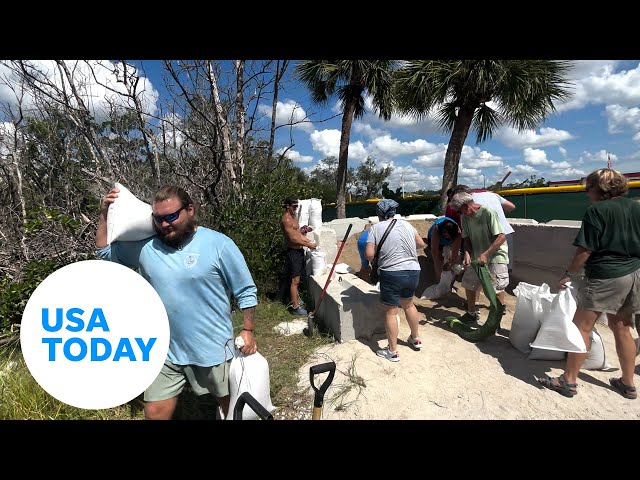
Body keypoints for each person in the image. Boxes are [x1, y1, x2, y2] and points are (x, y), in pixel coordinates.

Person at [96, 185, 259, 419]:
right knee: (154, 412)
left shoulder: (218, 244)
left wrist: (248, 329)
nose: (165, 224)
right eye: (159, 219)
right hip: (165, 350)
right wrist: (104, 214)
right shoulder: (146, 247)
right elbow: (104, 255)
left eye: (171, 216)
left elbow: (245, 290)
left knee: (232, 408)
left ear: (190, 210)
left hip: (213, 349)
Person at [538, 169, 640, 399]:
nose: (587, 193)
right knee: (622, 328)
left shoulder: (597, 211)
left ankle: (568, 381)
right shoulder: (636, 207)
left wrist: (568, 274)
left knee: (581, 327)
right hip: (634, 273)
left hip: (606, 275)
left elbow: (585, 250)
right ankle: (628, 383)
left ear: (598, 188)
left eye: (589, 188)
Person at [365, 199, 426, 362]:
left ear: (379, 214)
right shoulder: (407, 225)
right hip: (413, 270)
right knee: (409, 304)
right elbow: (421, 244)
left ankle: (392, 351)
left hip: (392, 272)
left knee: (391, 311)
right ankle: (415, 338)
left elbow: (369, 255)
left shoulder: (375, 229)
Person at [449, 192, 509, 323]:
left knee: (497, 288)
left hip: (495, 256)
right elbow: (466, 238)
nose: (460, 214)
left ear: (466, 205)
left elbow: (501, 236)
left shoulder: (487, 212)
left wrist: (486, 254)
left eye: (460, 211)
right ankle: (471, 313)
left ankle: (496, 319)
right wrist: (467, 253)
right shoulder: (465, 218)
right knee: (469, 284)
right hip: (477, 256)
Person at [450, 184, 516, 271]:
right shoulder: (492, 194)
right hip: (506, 231)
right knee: (504, 270)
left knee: (494, 270)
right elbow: (511, 206)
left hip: (495, 237)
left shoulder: (469, 207)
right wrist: (498, 209)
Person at [279, 197, 317, 316]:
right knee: (295, 280)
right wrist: (308, 244)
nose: (296, 209)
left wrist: (305, 234)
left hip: (299, 251)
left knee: (296, 279)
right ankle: (295, 308)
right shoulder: (286, 220)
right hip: (293, 252)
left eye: (297, 206)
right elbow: (292, 238)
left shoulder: (294, 217)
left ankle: (294, 300)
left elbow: (297, 234)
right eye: (294, 206)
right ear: (287, 206)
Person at [426, 216, 462, 283]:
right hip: (436, 240)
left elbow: (455, 253)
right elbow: (435, 253)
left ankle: (450, 282)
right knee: (439, 259)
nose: (445, 235)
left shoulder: (458, 233)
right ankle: (438, 281)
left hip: (451, 239)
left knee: (452, 260)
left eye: (447, 234)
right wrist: (439, 280)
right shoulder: (436, 229)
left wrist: (452, 262)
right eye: (444, 233)